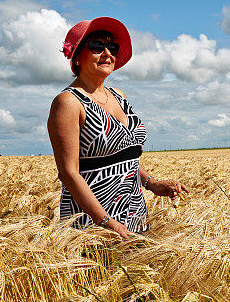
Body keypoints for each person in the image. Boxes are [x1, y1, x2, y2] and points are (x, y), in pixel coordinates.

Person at [47, 17, 188, 239]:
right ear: (76, 56)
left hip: (134, 213)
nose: (107, 53)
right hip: (92, 223)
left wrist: (151, 183)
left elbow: (123, 156)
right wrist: (106, 222)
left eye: (112, 47)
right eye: (96, 46)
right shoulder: (68, 102)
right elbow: (68, 173)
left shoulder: (118, 96)